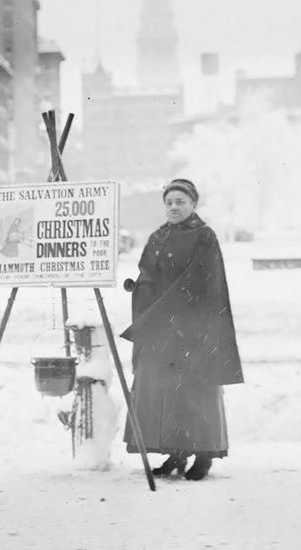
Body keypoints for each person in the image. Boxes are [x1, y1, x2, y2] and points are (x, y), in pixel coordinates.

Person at [120, 178, 244, 481]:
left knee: (194, 393)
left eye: (180, 202)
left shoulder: (204, 236)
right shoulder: (157, 237)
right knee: (164, 392)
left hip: (193, 329)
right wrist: (141, 290)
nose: (174, 207)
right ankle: (175, 453)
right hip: (162, 328)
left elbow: (202, 281)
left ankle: (203, 455)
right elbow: (148, 273)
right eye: (169, 202)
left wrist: (164, 309)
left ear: (193, 205)